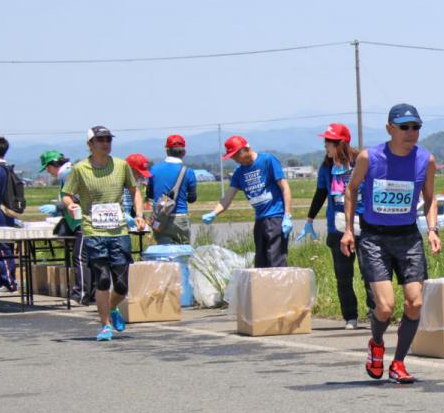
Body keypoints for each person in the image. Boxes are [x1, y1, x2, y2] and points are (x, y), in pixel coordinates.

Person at [340, 104, 441, 383]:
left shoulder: (426, 160)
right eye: (404, 127)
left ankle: (398, 363)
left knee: (415, 302)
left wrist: (432, 229)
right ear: (389, 129)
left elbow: (430, 197)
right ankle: (376, 343)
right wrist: (349, 230)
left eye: (416, 127)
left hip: (408, 236)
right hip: (374, 237)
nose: (411, 133)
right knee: (384, 307)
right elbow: (351, 190)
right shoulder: (369, 157)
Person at [61, 126, 144, 341]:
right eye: (100, 140)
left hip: (118, 230)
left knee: (122, 285)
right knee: (103, 280)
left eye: (108, 139)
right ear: (90, 144)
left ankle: (112, 309)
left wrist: (139, 215)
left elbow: (135, 191)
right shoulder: (80, 169)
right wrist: (70, 205)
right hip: (93, 229)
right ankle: (105, 325)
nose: (105, 143)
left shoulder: (121, 165)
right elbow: (67, 194)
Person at [301, 123, 372, 329]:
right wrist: (309, 219)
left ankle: (374, 310)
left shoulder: (362, 162)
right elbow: (321, 193)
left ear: (341, 144)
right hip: (338, 228)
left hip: (365, 226)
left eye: (328, 143)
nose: (326, 147)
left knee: (369, 272)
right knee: (343, 276)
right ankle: (350, 316)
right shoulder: (326, 167)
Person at [201, 136, 293, 268]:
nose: (235, 160)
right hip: (260, 220)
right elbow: (228, 197)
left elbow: (285, 187)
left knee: (275, 261)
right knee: (261, 263)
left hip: (276, 218)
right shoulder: (239, 173)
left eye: (236, 156)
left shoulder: (267, 160)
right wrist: (214, 213)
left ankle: (280, 288)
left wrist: (287, 215)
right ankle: (263, 288)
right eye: (232, 157)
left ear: (245, 149)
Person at [40, 150, 91, 303]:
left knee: (80, 258)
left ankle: (81, 293)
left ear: (54, 164)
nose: (48, 172)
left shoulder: (66, 174)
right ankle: (91, 293)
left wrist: (58, 207)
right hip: (81, 221)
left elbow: (75, 197)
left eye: (47, 168)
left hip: (82, 222)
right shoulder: (70, 171)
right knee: (89, 259)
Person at [147, 134, 198, 245]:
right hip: (180, 218)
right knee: (182, 253)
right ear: (183, 152)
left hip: (160, 218)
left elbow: (149, 194)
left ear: (167, 150)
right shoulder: (188, 172)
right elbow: (192, 199)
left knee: (164, 254)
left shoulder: (154, 169)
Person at [0, 137, 20, 292]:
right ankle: (8, 281)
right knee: (6, 248)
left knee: (2, 250)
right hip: (7, 214)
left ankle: (8, 282)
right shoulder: (8, 169)